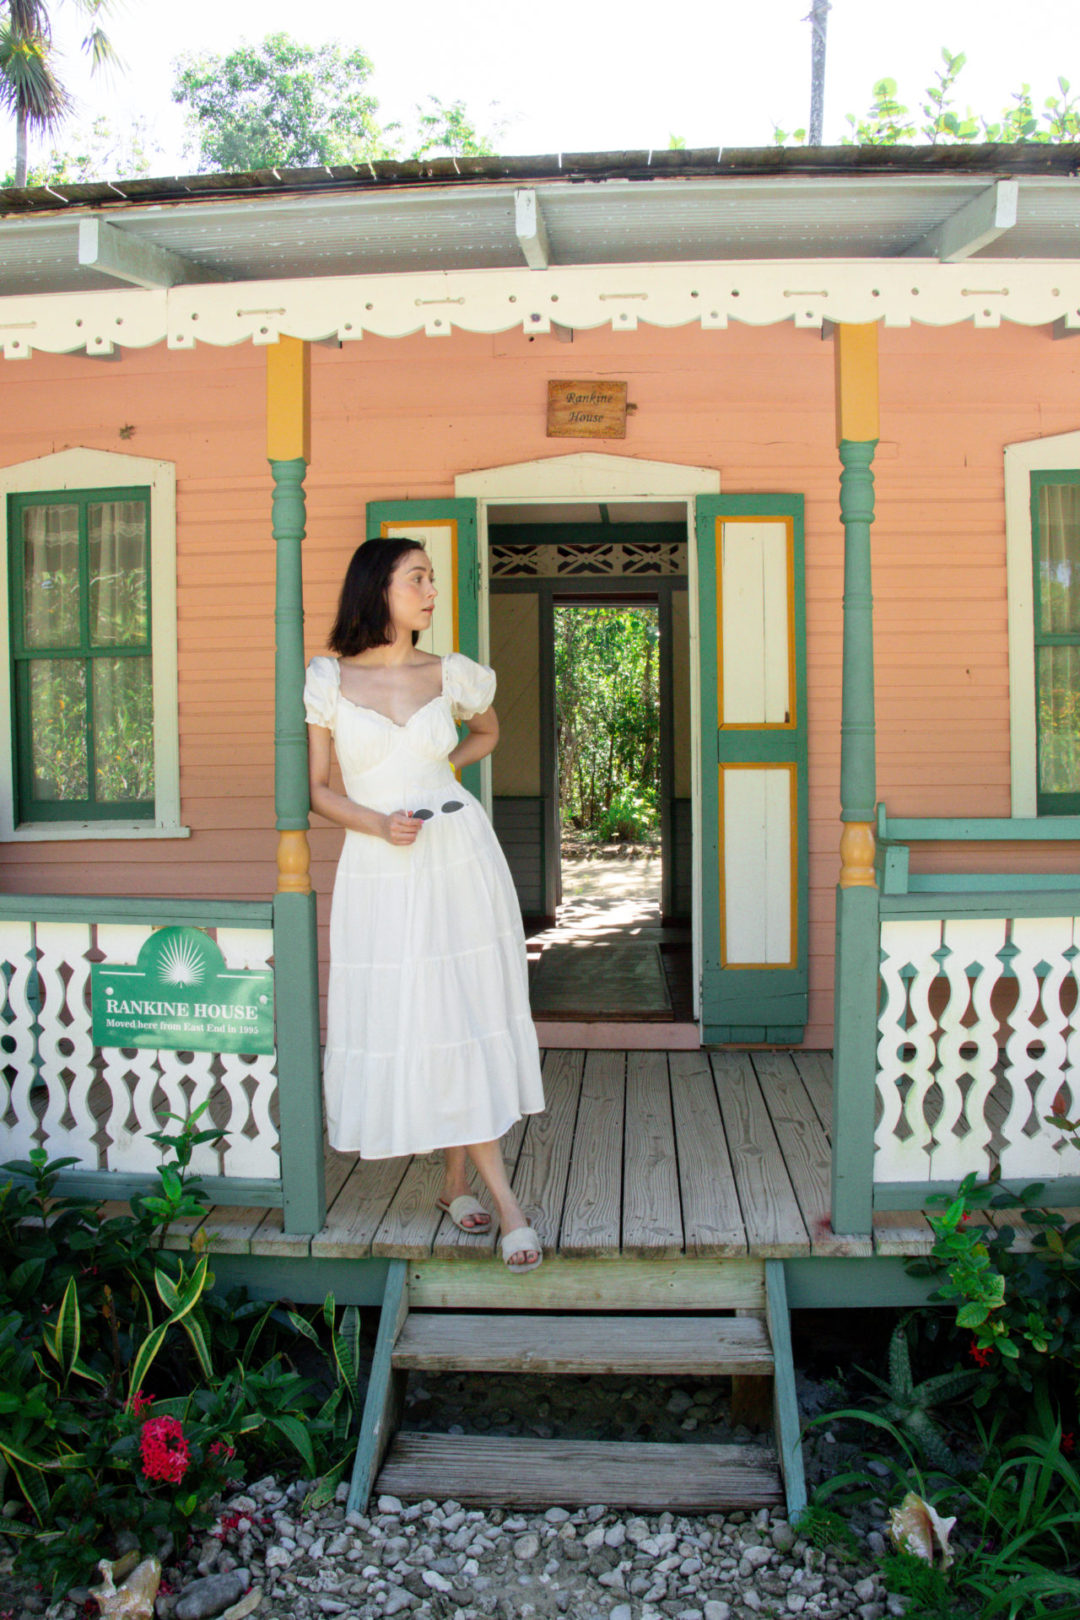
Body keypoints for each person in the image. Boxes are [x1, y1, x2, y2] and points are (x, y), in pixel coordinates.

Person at [304, 538, 545, 1271]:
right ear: (380, 589)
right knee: (424, 1014)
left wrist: (440, 777)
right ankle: (455, 1184)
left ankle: (497, 1201)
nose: (432, 590)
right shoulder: (327, 679)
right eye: (419, 578)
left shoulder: (452, 673)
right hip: (380, 868)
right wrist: (377, 823)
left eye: (432, 579)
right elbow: (317, 791)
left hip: (456, 853)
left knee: (461, 1009)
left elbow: (489, 733)